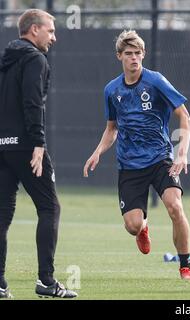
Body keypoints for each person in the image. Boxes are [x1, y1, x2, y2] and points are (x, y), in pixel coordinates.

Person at [83, 30, 190, 281]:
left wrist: (182, 154)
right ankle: (143, 228)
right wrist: (97, 152)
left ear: (143, 54)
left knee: (175, 207)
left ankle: (185, 266)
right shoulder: (111, 90)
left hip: (160, 159)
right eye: (128, 54)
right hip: (130, 165)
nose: (134, 58)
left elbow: (185, 116)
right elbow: (111, 129)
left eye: (138, 53)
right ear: (119, 56)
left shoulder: (156, 81)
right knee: (132, 225)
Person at [0, 9, 77, 298]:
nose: (54, 37)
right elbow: (33, 103)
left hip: (1, 146)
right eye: (51, 31)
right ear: (34, 30)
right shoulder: (35, 59)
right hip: (26, 146)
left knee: (2, 216)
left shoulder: (5, 60)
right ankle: (46, 281)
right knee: (49, 208)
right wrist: (38, 143)